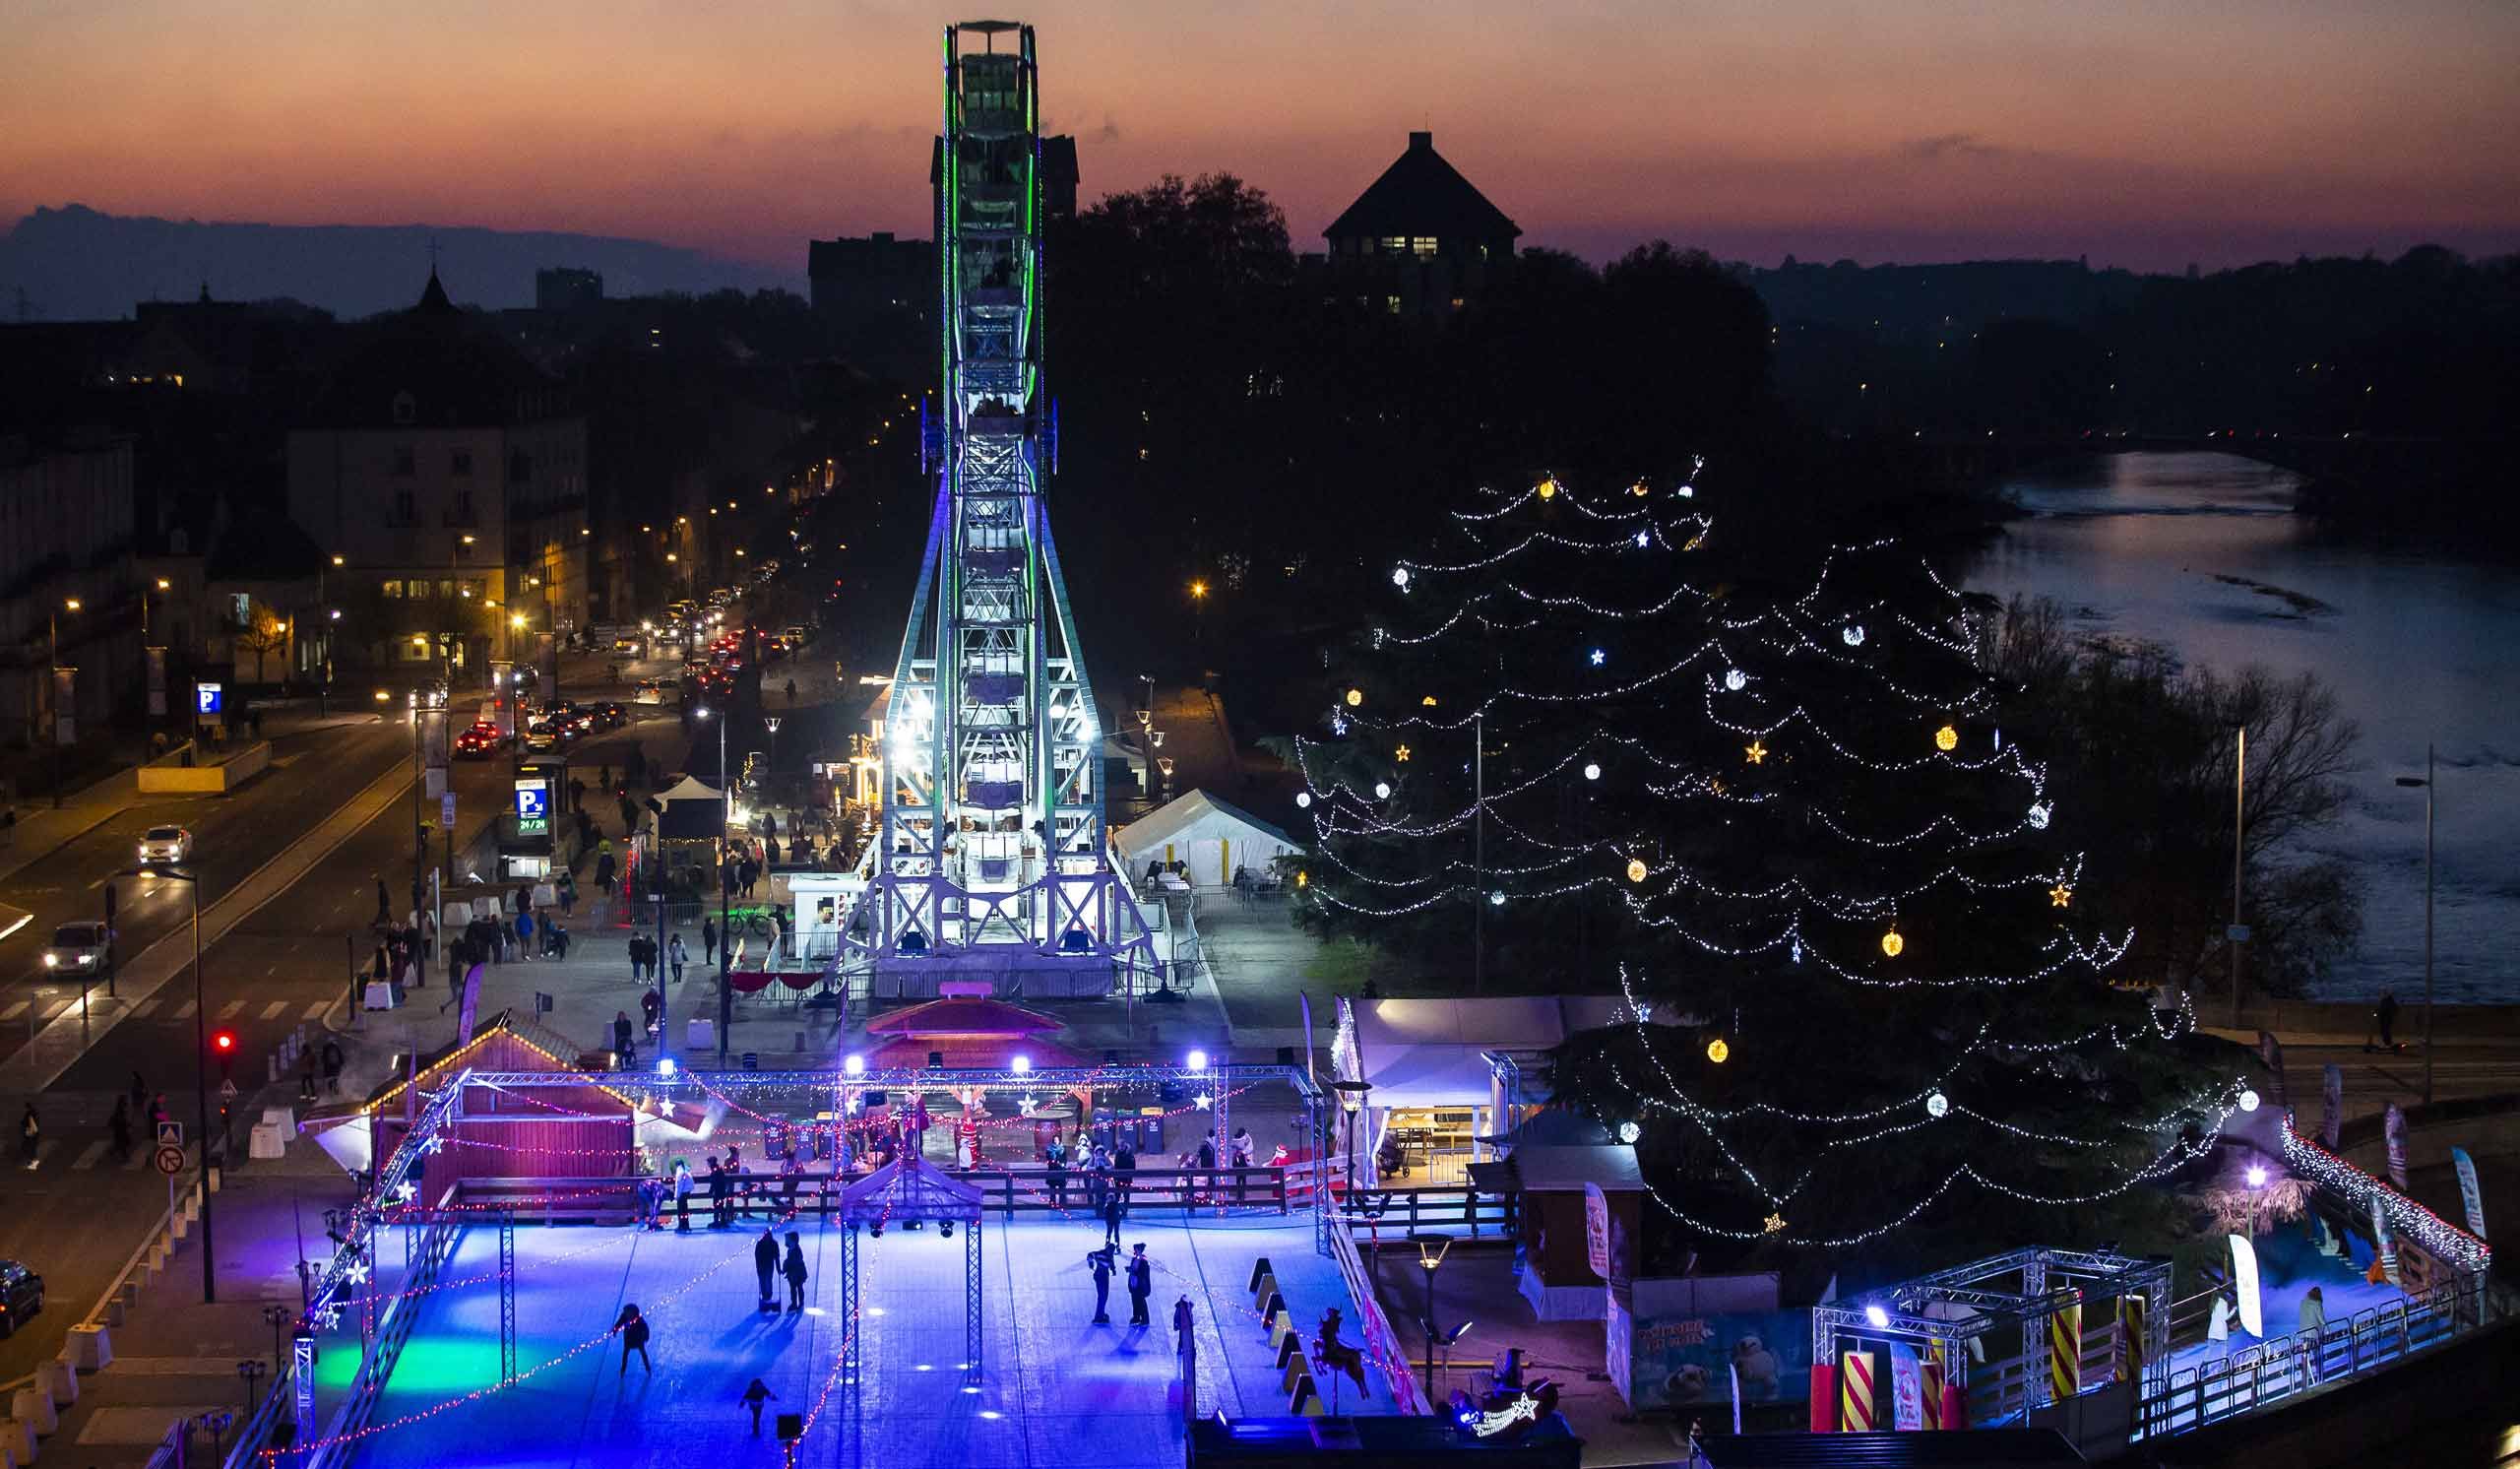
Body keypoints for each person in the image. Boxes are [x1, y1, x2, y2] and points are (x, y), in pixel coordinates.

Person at [611, 1304, 652, 1375]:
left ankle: (647, 1367)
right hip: (628, 1339)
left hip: (638, 1339)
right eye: (626, 1312)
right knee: (625, 1354)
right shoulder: (624, 1317)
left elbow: (645, 1327)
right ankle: (623, 1369)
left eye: (628, 1312)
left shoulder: (638, 1319)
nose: (627, 1313)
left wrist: (646, 1336)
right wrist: (615, 1330)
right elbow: (619, 1323)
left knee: (642, 1352)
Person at [2299, 1285, 2327, 1380]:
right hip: (2314, 1333)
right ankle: (2320, 1374)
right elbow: (2321, 1318)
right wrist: (2327, 1329)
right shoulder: (2317, 1303)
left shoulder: (2303, 1302)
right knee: (2317, 1355)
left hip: (2303, 1332)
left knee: (2305, 1355)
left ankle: (2305, 1375)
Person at [1088, 1244, 1116, 1324]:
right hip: (1099, 1276)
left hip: (1105, 1276)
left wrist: (1113, 1269)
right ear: (1107, 1249)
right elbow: (1090, 1255)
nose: (1111, 1253)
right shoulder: (1100, 1253)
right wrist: (1091, 1263)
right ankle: (1098, 1317)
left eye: (1112, 1251)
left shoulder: (1110, 1254)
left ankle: (1101, 1313)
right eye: (1110, 1251)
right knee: (1102, 1296)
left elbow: (1111, 1261)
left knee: (1105, 1295)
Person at [754, 1226, 781, 1312]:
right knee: (762, 1281)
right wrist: (758, 1268)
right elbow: (757, 1257)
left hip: (769, 1265)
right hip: (762, 1265)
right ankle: (765, 1298)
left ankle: (768, 1297)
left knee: (768, 1280)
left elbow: (777, 1257)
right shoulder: (760, 1243)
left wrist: (778, 1268)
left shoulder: (774, 1243)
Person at [1126, 1243, 1153, 1326]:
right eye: (1135, 1249)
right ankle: (1136, 1317)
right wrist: (1130, 1270)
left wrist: (1133, 1271)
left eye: (1137, 1249)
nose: (1135, 1251)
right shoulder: (1134, 1259)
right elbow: (1133, 1269)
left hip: (1140, 1285)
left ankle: (1145, 1319)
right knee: (1135, 1301)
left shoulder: (1144, 1261)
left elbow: (1143, 1274)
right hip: (1133, 1283)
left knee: (1141, 1302)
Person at [783, 1232, 808, 1311]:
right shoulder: (790, 1250)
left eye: (788, 1240)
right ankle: (794, 1303)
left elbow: (795, 1260)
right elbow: (790, 1261)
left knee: (799, 1287)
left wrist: (786, 1264)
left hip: (799, 1273)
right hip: (792, 1274)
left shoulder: (797, 1250)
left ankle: (801, 1302)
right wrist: (785, 1268)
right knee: (793, 1289)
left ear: (793, 1240)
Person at [1043, 1136, 1069, 1210]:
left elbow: (1065, 1159)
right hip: (1052, 1170)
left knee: (1062, 1188)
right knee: (1052, 1188)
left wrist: (1062, 1165)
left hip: (1061, 1170)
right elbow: (1048, 1158)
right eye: (1055, 1140)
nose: (1056, 1141)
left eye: (1057, 1139)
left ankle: (1062, 1204)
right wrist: (1053, 1161)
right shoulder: (1049, 1149)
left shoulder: (1063, 1148)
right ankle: (1052, 1204)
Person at [108, 1096, 133, 1163]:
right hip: (120, 1128)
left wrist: (128, 1124)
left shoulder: (121, 1108)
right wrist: (127, 1124)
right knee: (123, 1143)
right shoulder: (120, 1109)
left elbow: (123, 1118)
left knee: (122, 1142)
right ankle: (124, 1156)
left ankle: (113, 1151)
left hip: (121, 1128)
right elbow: (120, 1119)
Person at [674, 1158, 696, 1232]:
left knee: (681, 1210)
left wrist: (677, 1195)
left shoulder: (680, 1172)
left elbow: (679, 1185)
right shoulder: (685, 1170)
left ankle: (681, 1225)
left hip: (682, 1193)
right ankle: (686, 1225)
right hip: (686, 1192)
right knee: (685, 1210)